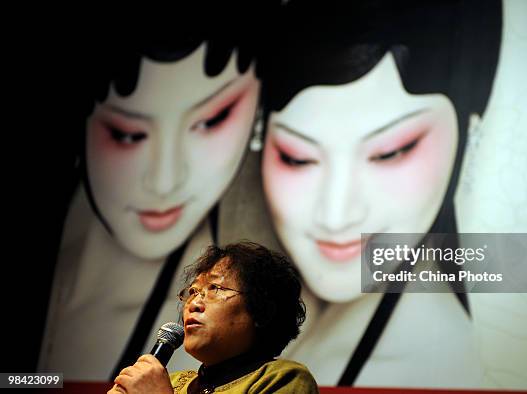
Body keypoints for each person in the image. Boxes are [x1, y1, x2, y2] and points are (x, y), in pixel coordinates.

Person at [256, 0, 501, 387]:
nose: (336, 215)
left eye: (391, 152)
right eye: (297, 158)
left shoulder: (426, 369)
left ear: (469, 137)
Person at [38, 13, 264, 380]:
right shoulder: (181, 380)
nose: (164, 181)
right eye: (127, 134)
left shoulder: (280, 377)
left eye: (211, 120)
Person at [108, 241, 319, 393]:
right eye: (192, 292)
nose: (194, 304)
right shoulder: (172, 384)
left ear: (262, 310)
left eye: (215, 288)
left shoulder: (282, 379)